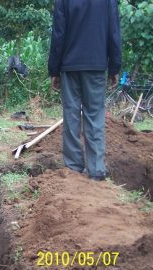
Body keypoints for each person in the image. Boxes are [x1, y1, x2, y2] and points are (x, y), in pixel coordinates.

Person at [48, 0, 121, 181]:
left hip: (69, 65)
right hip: (96, 65)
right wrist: (114, 67)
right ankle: (96, 169)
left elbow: (58, 34)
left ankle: (73, 167)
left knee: (71, 114)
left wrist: (54, 70)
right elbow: (114, 32)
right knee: (95, 115)